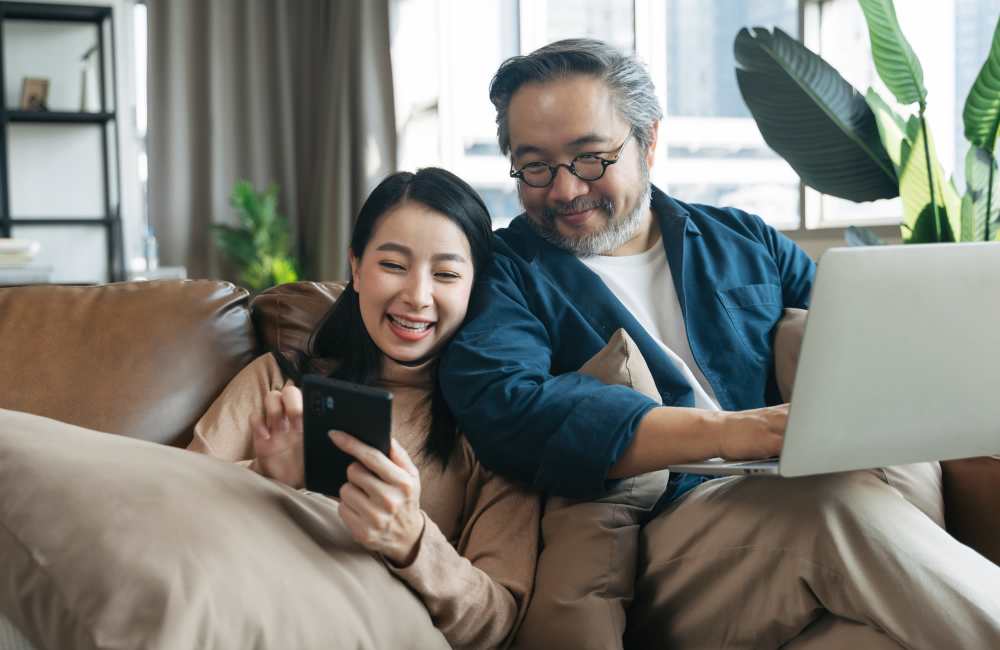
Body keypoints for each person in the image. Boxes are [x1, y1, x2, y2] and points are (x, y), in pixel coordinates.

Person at [439, 38, 1000, 649]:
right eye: (536, 167)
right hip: (665, 541)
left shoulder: (742, 239)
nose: (566, 190)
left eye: (590, 158)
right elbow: (511, 409)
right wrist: (734, 432)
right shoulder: (502, 273)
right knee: (833, 509)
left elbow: (859, 346)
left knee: (872, 635)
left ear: (648, 140)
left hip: (800, 527)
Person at [188, 168, 540, 650]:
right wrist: (269, 480)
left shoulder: (495, 424)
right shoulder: (279, 382)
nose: (417, 296)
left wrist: (411, 540)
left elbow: (496, 624)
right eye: (393, 265)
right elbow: (175, 518)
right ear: (355, 268)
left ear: (474, 288)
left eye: (446, 274)